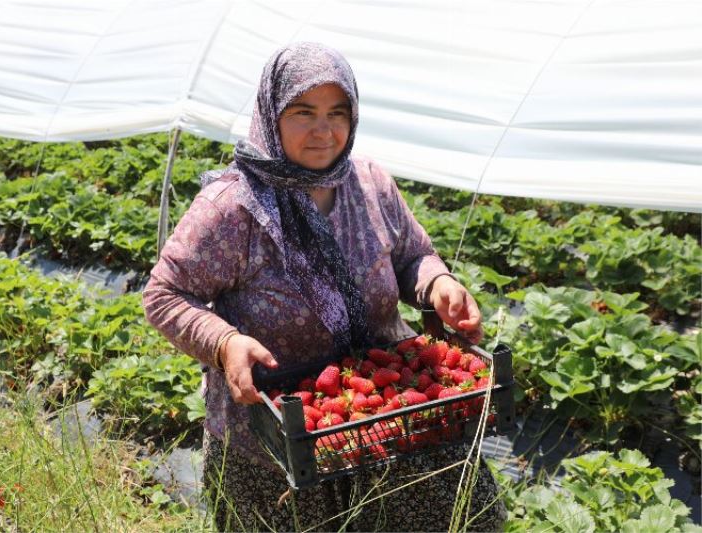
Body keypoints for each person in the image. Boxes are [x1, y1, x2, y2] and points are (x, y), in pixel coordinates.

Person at [143, 42, 505, 532]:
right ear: (272, 114)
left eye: (338, 113)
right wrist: (225, 343)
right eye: (303, 112)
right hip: (277, 435)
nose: (324, 130)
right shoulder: (232, 206)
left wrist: (437, 283)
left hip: (389, 416)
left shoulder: (369, 183)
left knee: (456, 517)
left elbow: (411, 255)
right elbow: (164, 294)